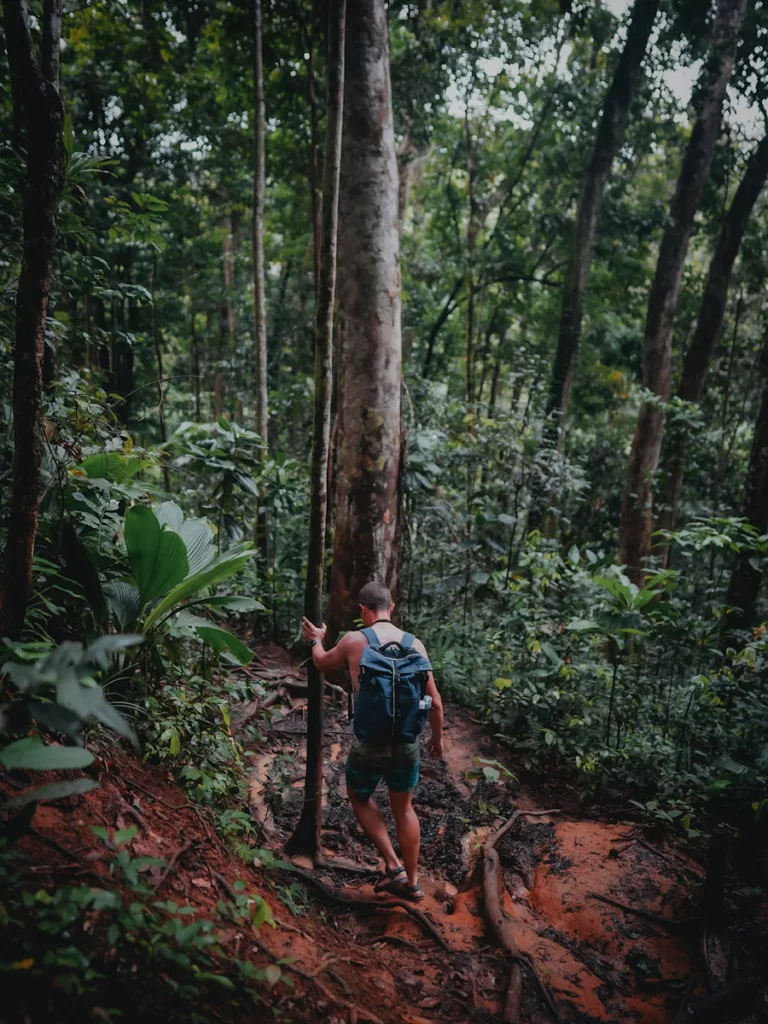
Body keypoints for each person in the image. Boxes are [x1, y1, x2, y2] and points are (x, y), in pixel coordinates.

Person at [302, 581, 444, 902]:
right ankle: (413, 882)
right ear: (391, 609)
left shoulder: (354, 641)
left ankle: (393, 866)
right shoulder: (416, 645)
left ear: (363, 610)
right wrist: (437, 738)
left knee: (359, 796)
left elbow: (321, 663)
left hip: (369, 744)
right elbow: (435, 702)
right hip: (407, 744)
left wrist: (316, 640)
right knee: (404, 808)